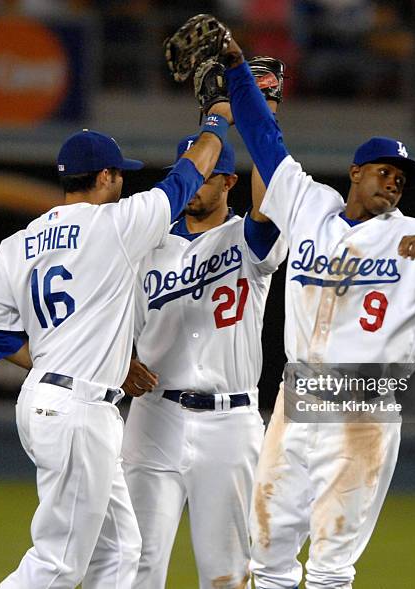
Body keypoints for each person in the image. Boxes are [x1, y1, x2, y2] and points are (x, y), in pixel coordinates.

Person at [189, 25, 415, 589]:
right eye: (384, 171)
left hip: (365, 404)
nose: (393, 183)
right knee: (268, 557)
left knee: (332, 566)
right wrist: (237, 69)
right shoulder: (311, 207)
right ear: (356, 172)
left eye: (402, 178)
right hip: (298, 394)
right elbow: (263, 140)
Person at [0, 111, 233, 589]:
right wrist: (217, 120)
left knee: (120, 549)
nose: (123, 184)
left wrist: (58, 359)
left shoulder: (18, 242)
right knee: (57, 562)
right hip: (77, 410)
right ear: (106, 176)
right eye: (120, 175)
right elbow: (187, 176)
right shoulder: (113, 223)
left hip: (48, 399)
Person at [121, 122, 286, 587]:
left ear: (230, 181)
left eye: (207, 175)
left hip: (230, 423)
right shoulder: (147, 246)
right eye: (189, 174)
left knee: (227, 572)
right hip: (154, 417)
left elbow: (271, 199)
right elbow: (120, 326)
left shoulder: (248, 241)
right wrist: (120, 362)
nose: (193, 185)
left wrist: (263, 115)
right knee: (135, 561)